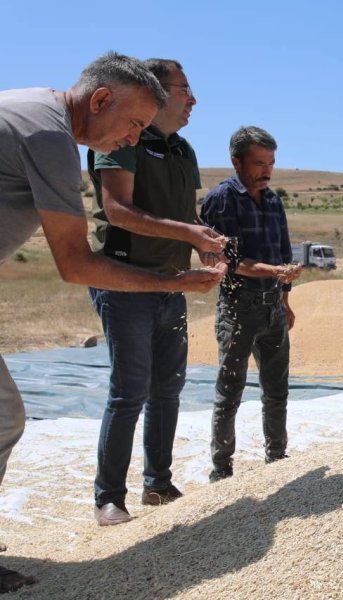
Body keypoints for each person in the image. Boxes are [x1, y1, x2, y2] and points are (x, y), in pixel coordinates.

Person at [0, 52, 224, 593]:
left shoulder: (35, 112)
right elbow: (75, 263)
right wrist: (178, 282)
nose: (131, 140)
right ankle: (109, 495)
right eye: (132, 124)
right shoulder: (48, 134)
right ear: (100, 100)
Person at [87, 58, 229, 526]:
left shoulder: (184, 151)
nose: (193, 99)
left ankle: (158, 484)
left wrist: (205, 250)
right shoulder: (122, 137)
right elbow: (118, 210)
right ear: (156, 92)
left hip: (172, 283)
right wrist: (191, 236)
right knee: (129, 391)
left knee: (168, 388)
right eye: (184, 89)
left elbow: (187, 218)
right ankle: (109, 498)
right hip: (123, 278)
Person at [200, 126, 300, 482]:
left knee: (277, 389)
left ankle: (277, 459)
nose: (267, 170)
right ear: (236, 162)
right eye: (259, 163)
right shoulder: (221, 200)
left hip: (273, 305)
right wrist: (275, 270)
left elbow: (283, 252)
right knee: (230, 392)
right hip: (238, 307)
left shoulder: (273, 201)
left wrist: (286, 298)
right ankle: (222, 471)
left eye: (271, 163)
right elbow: (227, 259)